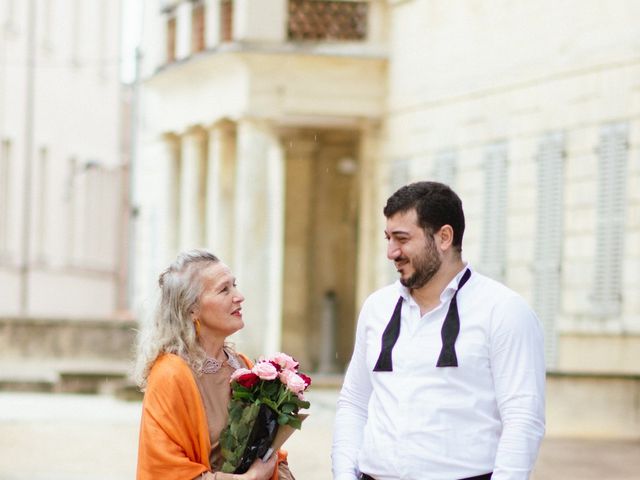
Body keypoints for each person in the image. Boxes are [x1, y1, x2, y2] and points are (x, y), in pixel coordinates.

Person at [332, 182, 545, 480]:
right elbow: (354, 401)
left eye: (402, 239)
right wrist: (343, 474)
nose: (391, 252)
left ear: (444, 237)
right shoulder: (376, 307)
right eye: (388, 238)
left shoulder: (504, 311)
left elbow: (523, 419)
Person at [135, 249, 295, 480]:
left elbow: (270, 452)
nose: (239, 296)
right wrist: (248, 479)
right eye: (224, 289)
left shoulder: (243, 365)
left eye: (235, 285)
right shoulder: (170, 374)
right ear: (192, 309)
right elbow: (165, 470)